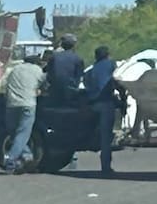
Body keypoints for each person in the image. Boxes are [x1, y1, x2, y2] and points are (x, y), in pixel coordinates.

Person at [1, 54, 48, 173]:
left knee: (13, 132)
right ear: (36, 62)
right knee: (23, 133)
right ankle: (11, 159)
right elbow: (45, 85)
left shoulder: (14, 70)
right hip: (28, 104)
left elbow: (5, 85)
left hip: (11, 104)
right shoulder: (37, 70)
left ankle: (27, 155)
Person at [83, 46, 120, 175]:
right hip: (106, 103)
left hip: (92, 104)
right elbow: (117, 80)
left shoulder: (92, 69)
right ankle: (105, 166)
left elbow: (86, 83)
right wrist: (122, 98)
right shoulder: (111, 65)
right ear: (108, 55)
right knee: (106, 136)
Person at [45, 33, 84, 104]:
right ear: (74, 45)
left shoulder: (53, 57)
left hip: (54, 93)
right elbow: (79, 76)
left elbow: (48, 74)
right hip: (71, 93)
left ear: (62, 44)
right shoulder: (78, 59)